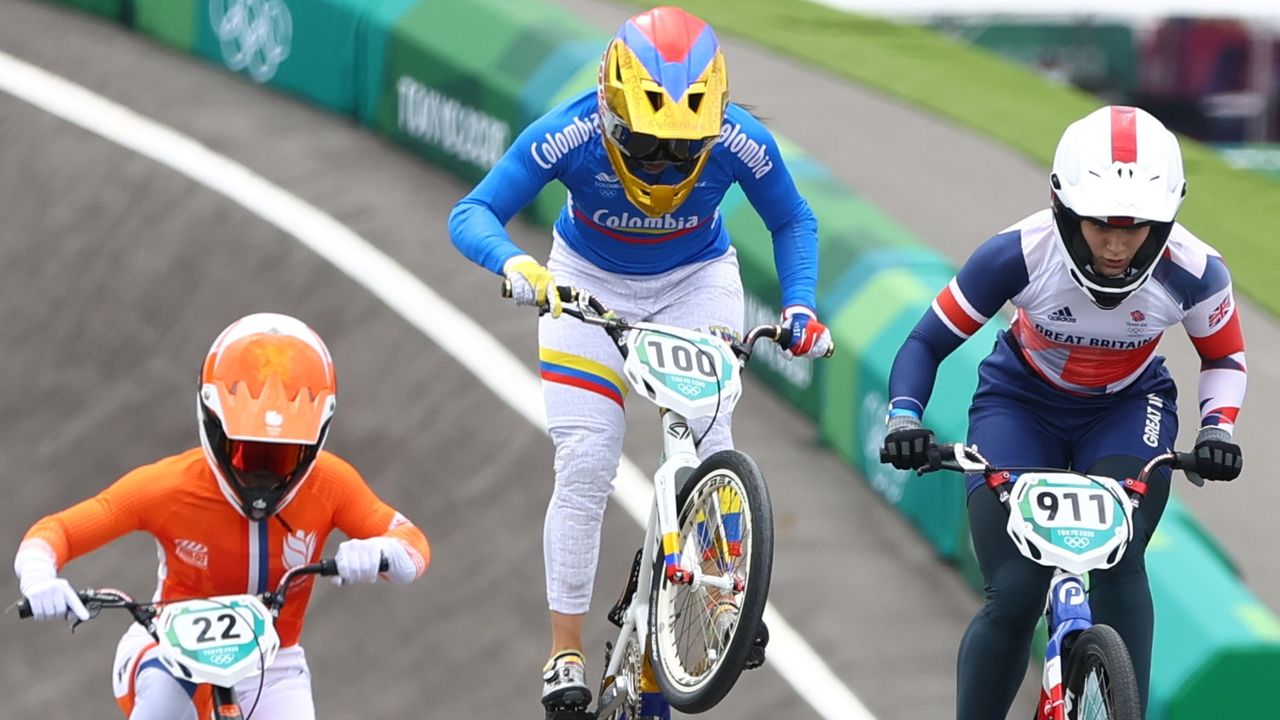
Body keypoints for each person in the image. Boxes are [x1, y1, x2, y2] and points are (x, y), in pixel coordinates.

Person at [449, 6, 831, 719]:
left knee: (710, 439)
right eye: (646, 144)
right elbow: (472, 213)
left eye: (682, 151)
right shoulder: (569, 132)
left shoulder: (740, 141)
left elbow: (794, 218)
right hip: (584, 284)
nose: (661, 163)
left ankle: (719, 595)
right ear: (610, 112)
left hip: (696, 281)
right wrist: (520, 266)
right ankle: (564, 649)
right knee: (589, 457)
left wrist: (802, 307)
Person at [879, 105, 1245, 718]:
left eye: (1138, 227)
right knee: (1017, 592)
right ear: (1061, 207)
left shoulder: (1197, 272)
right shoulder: (1016, 255)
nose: (1116, 245)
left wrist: (1218, 428)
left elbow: (1225, 359)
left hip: (1130, 408)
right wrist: (904, 418)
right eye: (1099, 223)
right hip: (1020, 404)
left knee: (1121, 565)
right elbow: (925, 343)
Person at [14, 313, 431, 720]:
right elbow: (57, 531)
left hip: (273, 661)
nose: (261, 478)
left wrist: (380, 551)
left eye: (282, 456)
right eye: (246, 453)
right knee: (163, 705)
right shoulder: (169, 487)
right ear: (213, 426)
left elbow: (413, 546)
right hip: (166, 645)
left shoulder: (332, 484)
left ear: (315, 441)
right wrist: (39, 577)